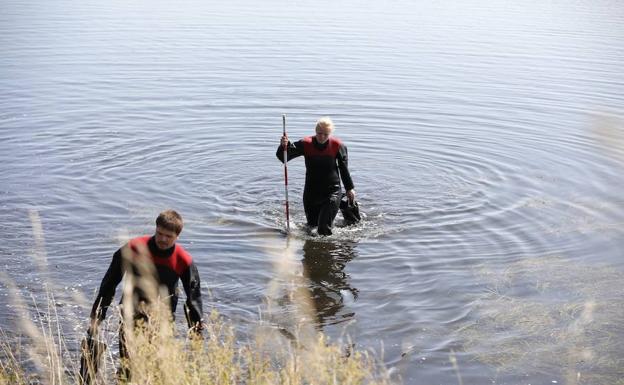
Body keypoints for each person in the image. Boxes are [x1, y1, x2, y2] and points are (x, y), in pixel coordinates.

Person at [83, 209, 203, 383]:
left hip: (162, 322)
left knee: (157, 370)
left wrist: (197, 336)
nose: (162, 239)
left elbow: (194, 300)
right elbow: (109, 284)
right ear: (155, 228)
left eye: (168, 236)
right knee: (128, 367)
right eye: (159, 233)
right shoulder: (134, 248)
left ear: (178, 236)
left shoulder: (183, 260)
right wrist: (97, 319)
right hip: (130, 316)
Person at [277, 117, 355, 235]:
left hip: (332, 192)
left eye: (325, 134)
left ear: (330, 134)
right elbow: (283, 158)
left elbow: (344, 169)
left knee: (323, 229)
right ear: (315, 131)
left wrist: (349, 188)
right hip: (311, 193)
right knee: (311, 229)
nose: (322, 137)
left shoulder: (338, 146)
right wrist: (283, 146)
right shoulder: (305, 144)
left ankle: (343, 201)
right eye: (319, 133)